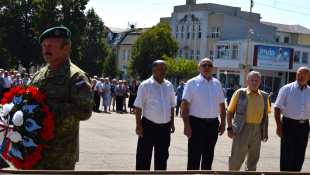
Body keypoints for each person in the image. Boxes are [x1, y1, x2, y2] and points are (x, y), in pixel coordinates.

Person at [29, 26, 93, 170]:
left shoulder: (76, 77)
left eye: (51, 45)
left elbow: (84, 111)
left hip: (60, 157)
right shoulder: (38, 76)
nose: (46, 49)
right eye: (44, 46)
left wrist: (47, 109)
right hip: (34, 153)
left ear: (66, 49)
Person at [182, 58, 226, 170]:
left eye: (209, 65)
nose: (207, 67)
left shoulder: (217, 84)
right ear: (199, 67)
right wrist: (186, 125)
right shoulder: (192, 83)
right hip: (196, 124)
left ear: (213, 68)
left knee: (208, 156)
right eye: (204, 64)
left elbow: (221, 105)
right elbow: (184, 104)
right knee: (194, 157)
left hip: (213, 124)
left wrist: (223, 123)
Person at [134, 60, 175, 170]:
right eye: (161, 69)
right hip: (148, 127)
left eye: (165, 69)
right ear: (153, 69)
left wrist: (172, 123)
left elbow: (172, 106)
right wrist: (138, 125)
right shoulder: (145, 85)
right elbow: (138, 107)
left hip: (165, 128)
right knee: (144, 158)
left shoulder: (169, 85)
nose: (164, 72)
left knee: (162, 158)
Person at [227, 71, 270, 171]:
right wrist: (229, 128)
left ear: (260, 82)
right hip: (242, 129)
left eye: (256, 80)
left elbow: (266, 116)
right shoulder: (240, 93)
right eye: (252, 80)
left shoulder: (264, 96)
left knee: (253, 158)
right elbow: (229, 111)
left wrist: (266, 133)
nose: (254, 83)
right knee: (237, 157)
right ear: (247, 81)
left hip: (257, 130)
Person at [274, 67, 310, 172]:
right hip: (289, 125)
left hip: (304, 126)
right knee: (287, 156)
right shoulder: (287, 89)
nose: (300, 77)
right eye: (298, 75)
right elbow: (277, 107)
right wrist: (279, 126)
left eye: (303, 76)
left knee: (300, 155)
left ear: (308, 77)